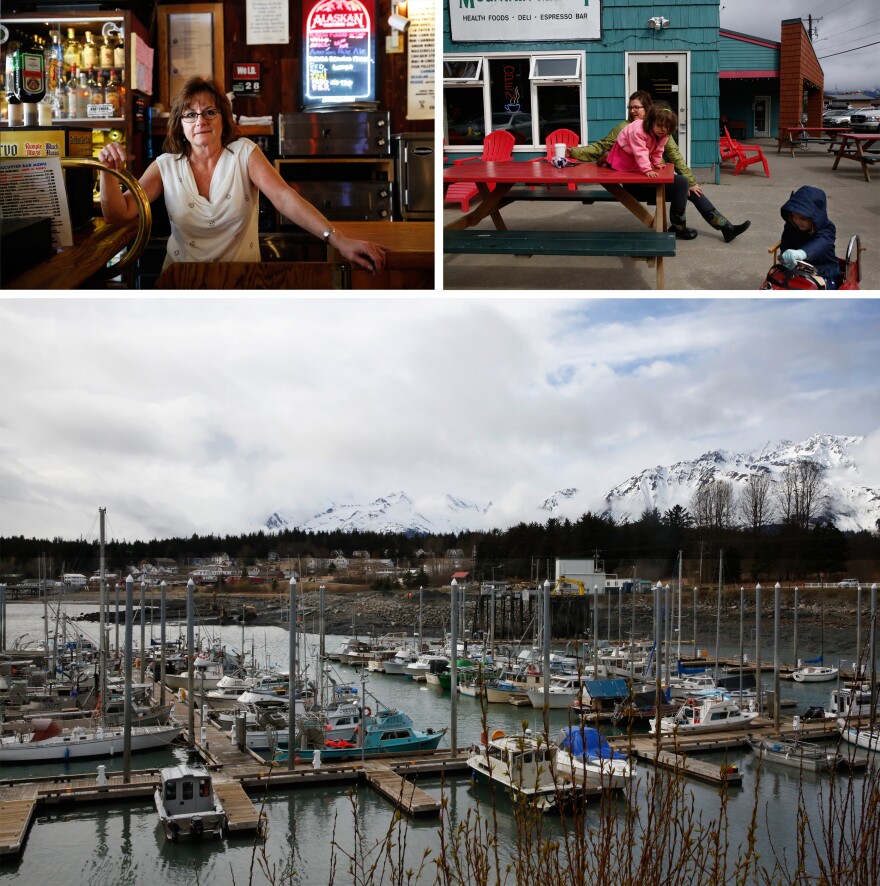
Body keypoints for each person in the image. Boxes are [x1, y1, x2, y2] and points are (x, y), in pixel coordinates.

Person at [98, 77, 387, 274]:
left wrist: (338, 240)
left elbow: (284, 198)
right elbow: (119, 213)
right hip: (181, 282)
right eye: (190, 114)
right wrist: (108, 174)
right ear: (180, 126)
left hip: (242, 281)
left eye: (210, 112)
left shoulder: (244, 153)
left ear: (224, 119)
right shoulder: (165, 165)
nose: (201, 121)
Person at [568, 90, 750, 243]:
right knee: (681, 184)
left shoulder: (662, 127)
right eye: (630, 107)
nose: (632, 111)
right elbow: (599, 147)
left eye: (637, 107)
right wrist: (574, 152)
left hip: (650, 176)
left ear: (648, 110)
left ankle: (725, 227)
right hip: (635, 178)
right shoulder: (625, 127)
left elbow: (675, 157)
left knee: (686, 186)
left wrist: (692, 181)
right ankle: (685, 227)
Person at [778, 185, 841, 288]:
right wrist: (785, 258)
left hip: (823, 269)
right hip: (797, 269)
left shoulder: (828, 228)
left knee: (817, 287)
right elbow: (786, 244)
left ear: (815, 217)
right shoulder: (791, 226)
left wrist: (802, 253)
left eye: (803, 218)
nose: (797, 221)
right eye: (794, 216)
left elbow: (820, 243)